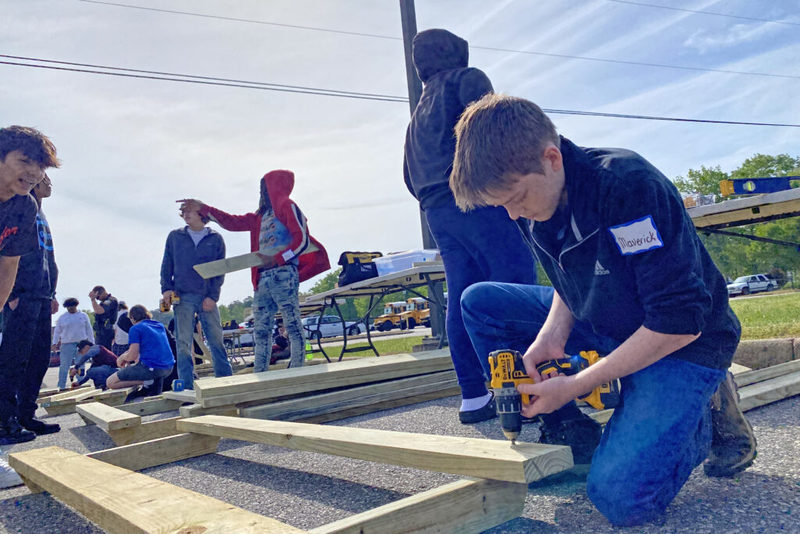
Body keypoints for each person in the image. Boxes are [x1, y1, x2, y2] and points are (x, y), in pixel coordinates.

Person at [450, 93, 757, 526]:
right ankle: (573, 432)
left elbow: (679, 321)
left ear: (551, 158)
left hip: (681, 342)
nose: (511, 212)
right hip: (608, 318)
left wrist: (577, 383)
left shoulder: (627, 188)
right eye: (501, 203)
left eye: (515, 197)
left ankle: (704, 410)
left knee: (621, 499)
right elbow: (569, 275)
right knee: (481, 302)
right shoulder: (531, 202)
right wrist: (550, 337)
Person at [403, 29, 538, 424]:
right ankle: (528, 385)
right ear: (455, 52)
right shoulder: (467, 79)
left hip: (437, 209)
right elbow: (491, 130)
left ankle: (474, 396)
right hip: (477, 197)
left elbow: (408, 176)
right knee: (514, 284)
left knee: (462, 293)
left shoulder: (416, 116)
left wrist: (435, 200)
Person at [179, 169, 330, 372]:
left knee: (291, 321)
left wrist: (278, 258)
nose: (263, 191)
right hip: (263, 278)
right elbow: (232, 222)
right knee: (260, 328)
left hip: (283, 274)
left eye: (265, 186)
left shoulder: (288, 206)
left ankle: (297, 368)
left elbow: (301, 239)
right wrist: (204, 208)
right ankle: (260, 371)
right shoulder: (260, 217)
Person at [0, 125, 59, 453]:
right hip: (23, 296)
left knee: (33, 357)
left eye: (42, 167)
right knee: (12, 357)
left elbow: (8, 264)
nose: (35, 173)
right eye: (25, 161)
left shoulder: (24, 208)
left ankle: (17, 416)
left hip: (35, 290)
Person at [160, 203, 232, 389]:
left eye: (188, 211)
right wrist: (166, 289)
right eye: (182, 212)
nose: (184, 215)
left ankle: (226, 382)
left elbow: (220, 270)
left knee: (216, 340)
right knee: (183, 343)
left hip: (207, 297)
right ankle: (187, 387)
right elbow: (166, 264)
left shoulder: (215, 239)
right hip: (182, 297)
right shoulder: (175, 236)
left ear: (201, 214)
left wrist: (213, 296)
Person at [106, 305, 174, 391]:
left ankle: (146, 381)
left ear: (132, 318)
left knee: (110, 382)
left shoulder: (135, 328)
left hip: (153, 369)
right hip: (168, 368)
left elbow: (132, 356)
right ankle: (149, 381)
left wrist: (122, 358)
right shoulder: (159, 325)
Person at [52, 297, 95, 390]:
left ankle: (80, 383)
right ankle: (61, 385)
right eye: (68, 307)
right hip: (67, 344)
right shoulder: (62, 318)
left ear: (76, 306)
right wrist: (54, 343)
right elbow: (57, 331)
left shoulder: (83, 316)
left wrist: (92, 344)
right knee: (64, 365)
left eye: (72, 307)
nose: (70, 309)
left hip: (81, 344)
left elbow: (89, 330)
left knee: (80, 365)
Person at [89, 285, 118, 349]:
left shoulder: (111, 300)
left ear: (102, 293)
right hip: (100, 333)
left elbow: (100, 311)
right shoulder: (103, 303)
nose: (98, 299)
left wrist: (93, 300)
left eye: (98, 297)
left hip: (106, 333)